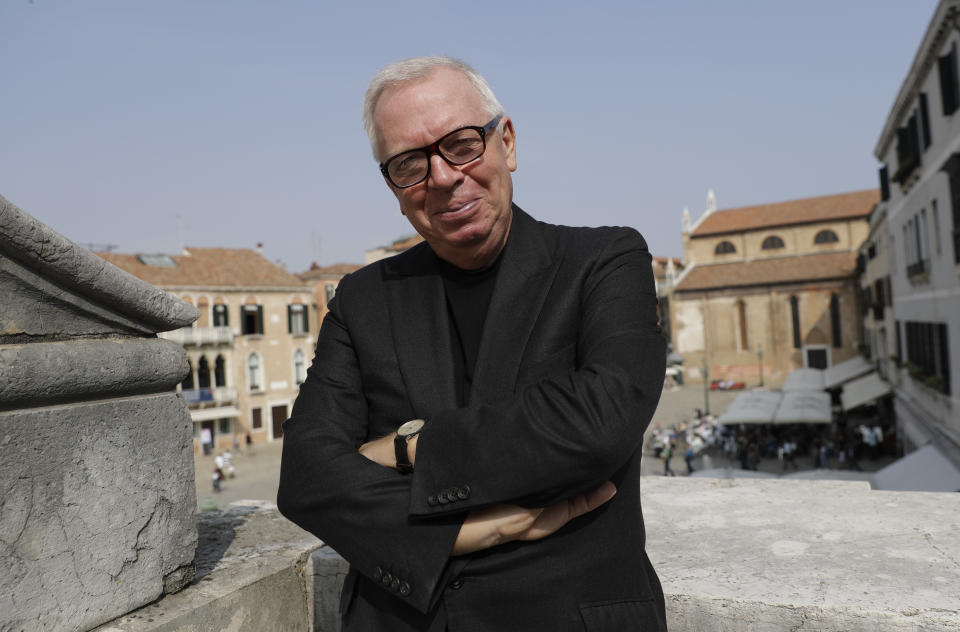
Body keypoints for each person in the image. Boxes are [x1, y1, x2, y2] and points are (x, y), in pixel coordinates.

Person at [277, 56, 667, 631]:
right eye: (409, 162)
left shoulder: (605, 261)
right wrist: (474, 530)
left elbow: (600, 422)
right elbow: (308, 476)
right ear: (392, 185)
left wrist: (408, 449)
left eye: (461, 145)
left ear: (505, 143)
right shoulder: (362, 298)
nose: (440, 176)